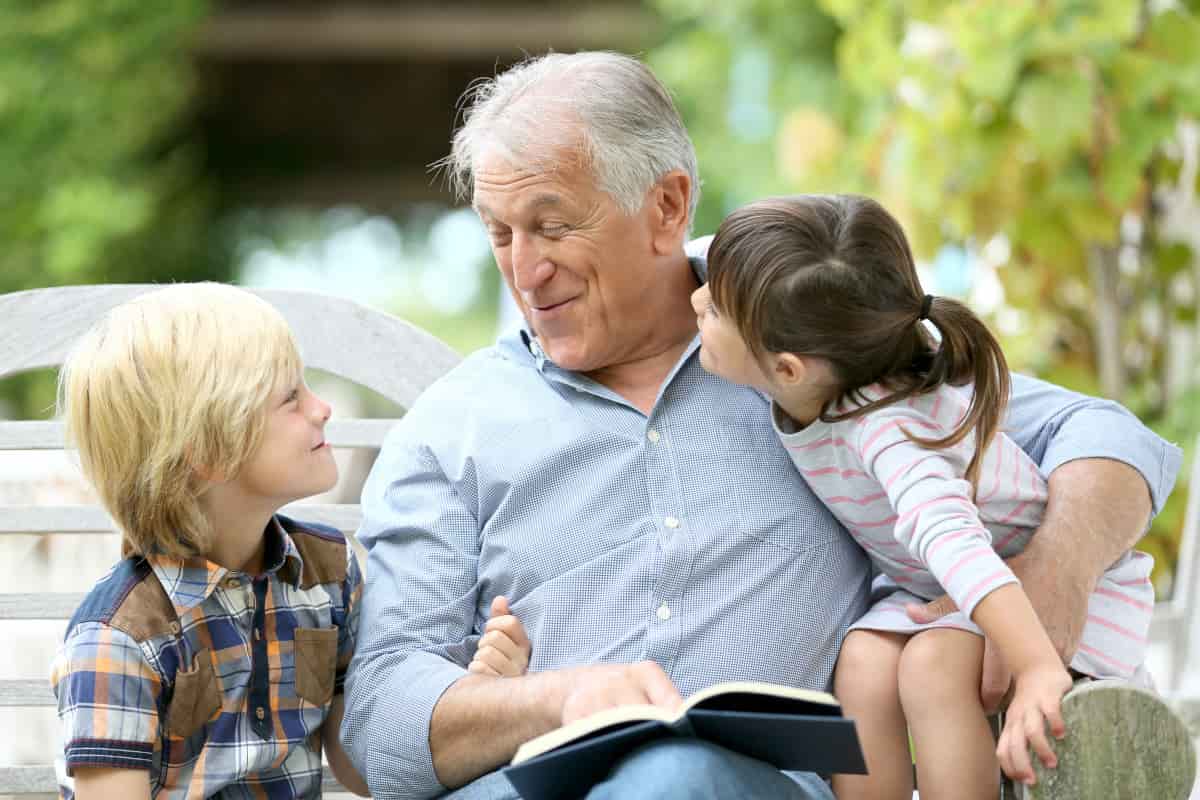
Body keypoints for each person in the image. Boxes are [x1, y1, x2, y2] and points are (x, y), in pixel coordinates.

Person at [340, 51, 1181, 800]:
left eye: (554, 226)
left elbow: (1112, 440)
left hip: (746, 785)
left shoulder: (807, 348)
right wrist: (558, 699)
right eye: (500, 235)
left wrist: (1052, 574)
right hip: (527, 785)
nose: (528, 269)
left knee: (674, 779)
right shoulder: (455, 424)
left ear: (668, 207)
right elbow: (382, 723)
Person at [690, 195, 1156, 799]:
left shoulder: (891, 431)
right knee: (861, 662)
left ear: (787, 370)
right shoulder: (825, 371)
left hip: (1035, 601)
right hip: (938, 592)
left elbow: (955, 542)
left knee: (933, 668)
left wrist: (1039, 665)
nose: (696, 298)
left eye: (717, 307)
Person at [49, 283, 376, 799]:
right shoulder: (119, 639)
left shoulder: (327, 572)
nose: (322, 408)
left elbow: (359, 769)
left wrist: (464, 689)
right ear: (210, 453)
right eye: (291, 397)